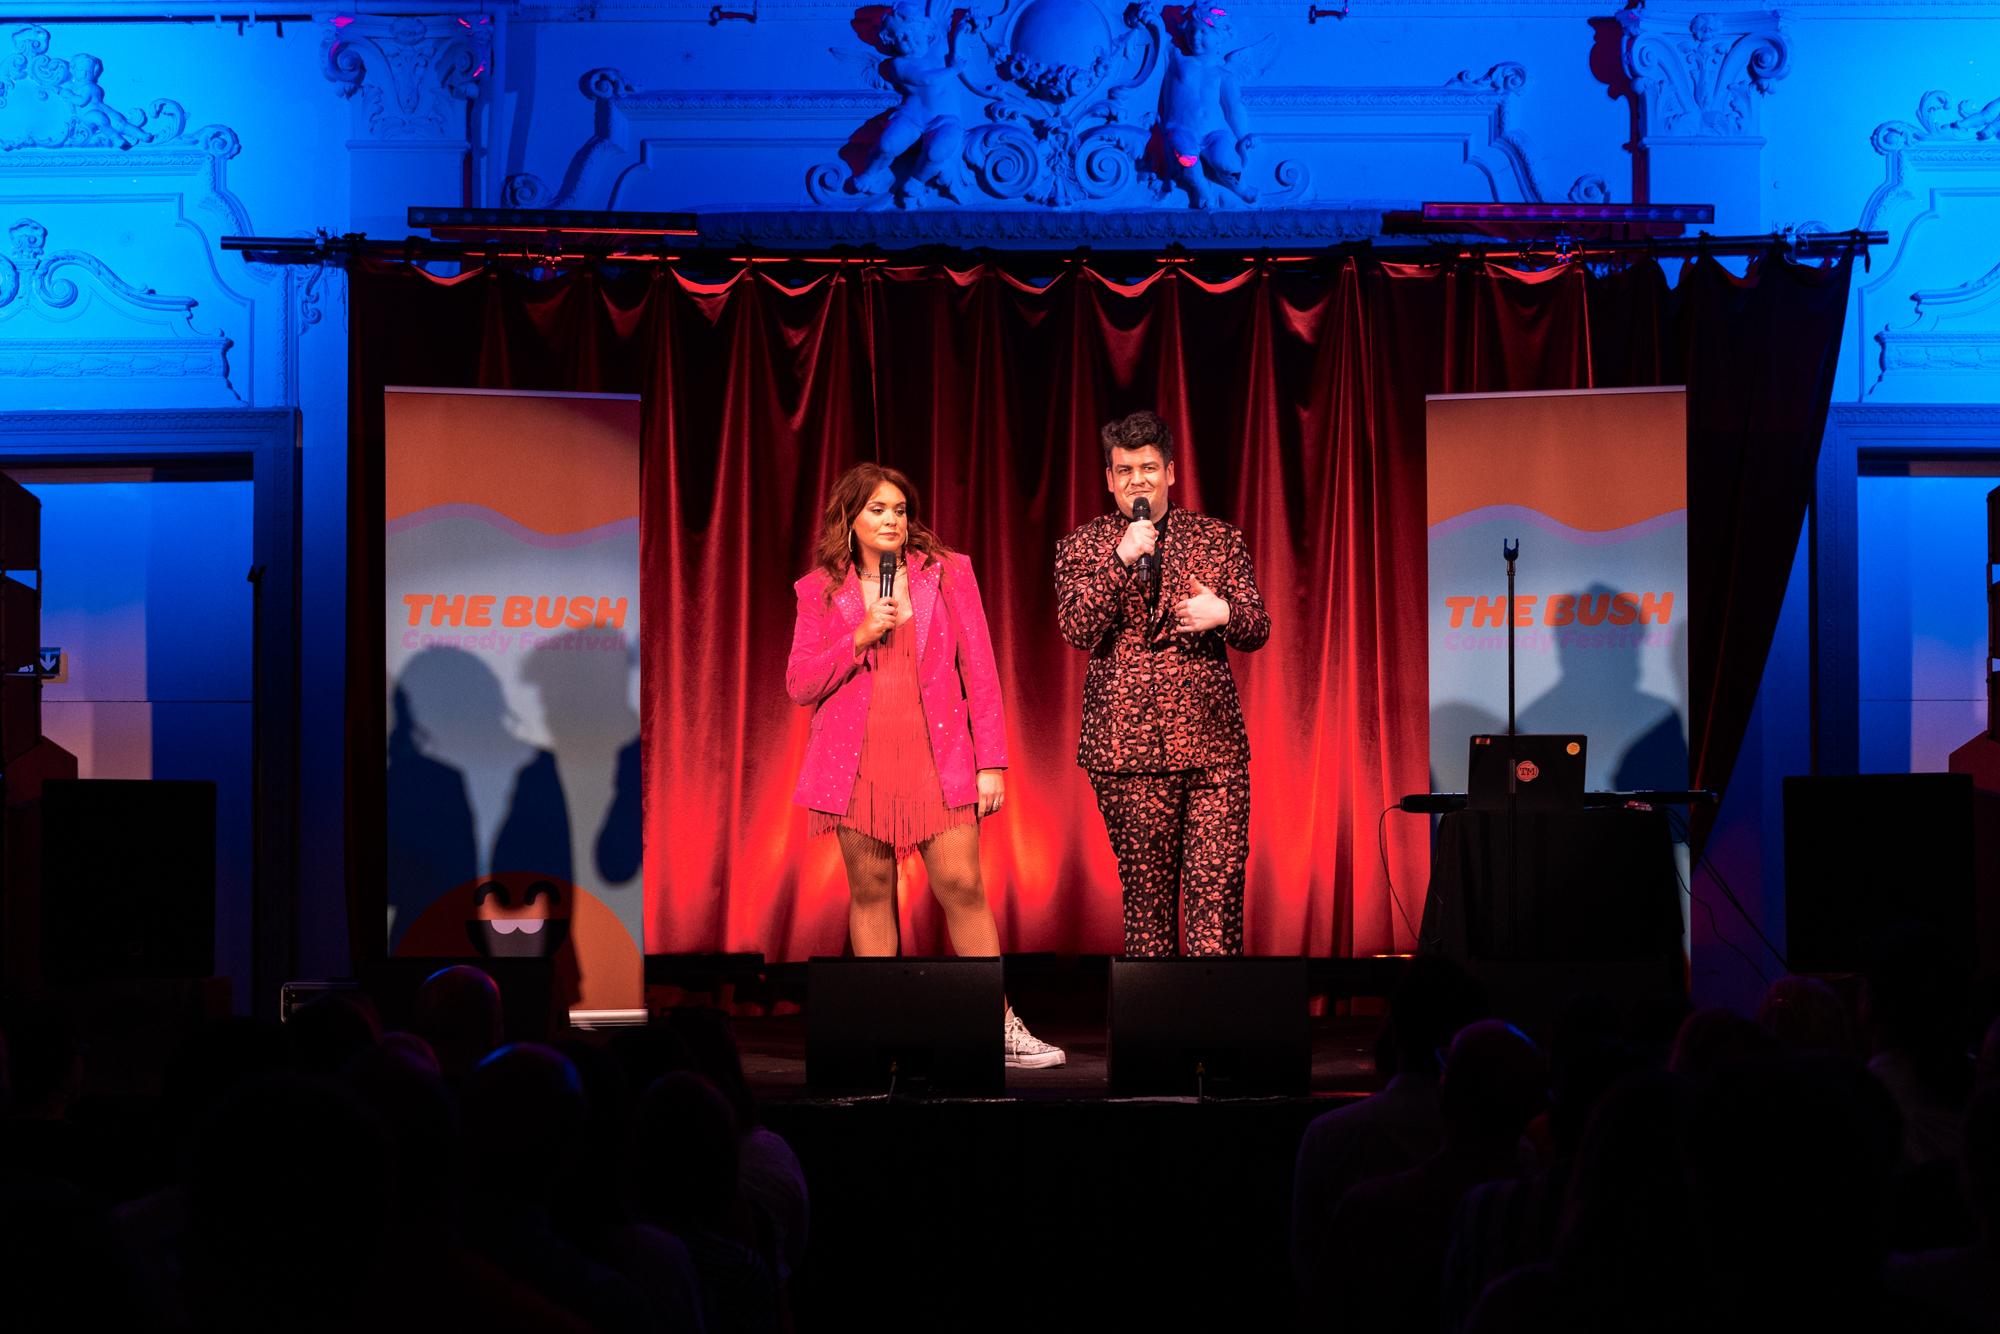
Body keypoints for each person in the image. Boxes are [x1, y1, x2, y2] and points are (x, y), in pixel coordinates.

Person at [787, 462, 1063, 1069]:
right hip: (856, 764)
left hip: (939, 758)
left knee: (962, 886)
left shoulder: (949, 574)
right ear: (849, 518)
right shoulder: (820, 589)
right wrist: (858, 634)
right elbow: (800, 683)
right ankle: (887, 1024)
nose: (891, 520)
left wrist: (992, 761)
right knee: (871, 890)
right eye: (877, 510)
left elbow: (982, 673)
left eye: (900, 509)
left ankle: (999, 1023)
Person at [1054, 411, 1270, 957]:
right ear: (1109, 479)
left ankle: (1215, 1034)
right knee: (1147, 915)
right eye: (1124, 470)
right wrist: (1121, 559)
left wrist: (1222, 611)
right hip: (1125, 752)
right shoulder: (1083, 547)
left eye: (1148, 467)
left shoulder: (1218, 539)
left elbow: (1256, 627)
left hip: (1211, 748)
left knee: (1215, 905)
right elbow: (1078, 628)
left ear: (1170, 472)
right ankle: (1157, 1039)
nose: (1138, 481)